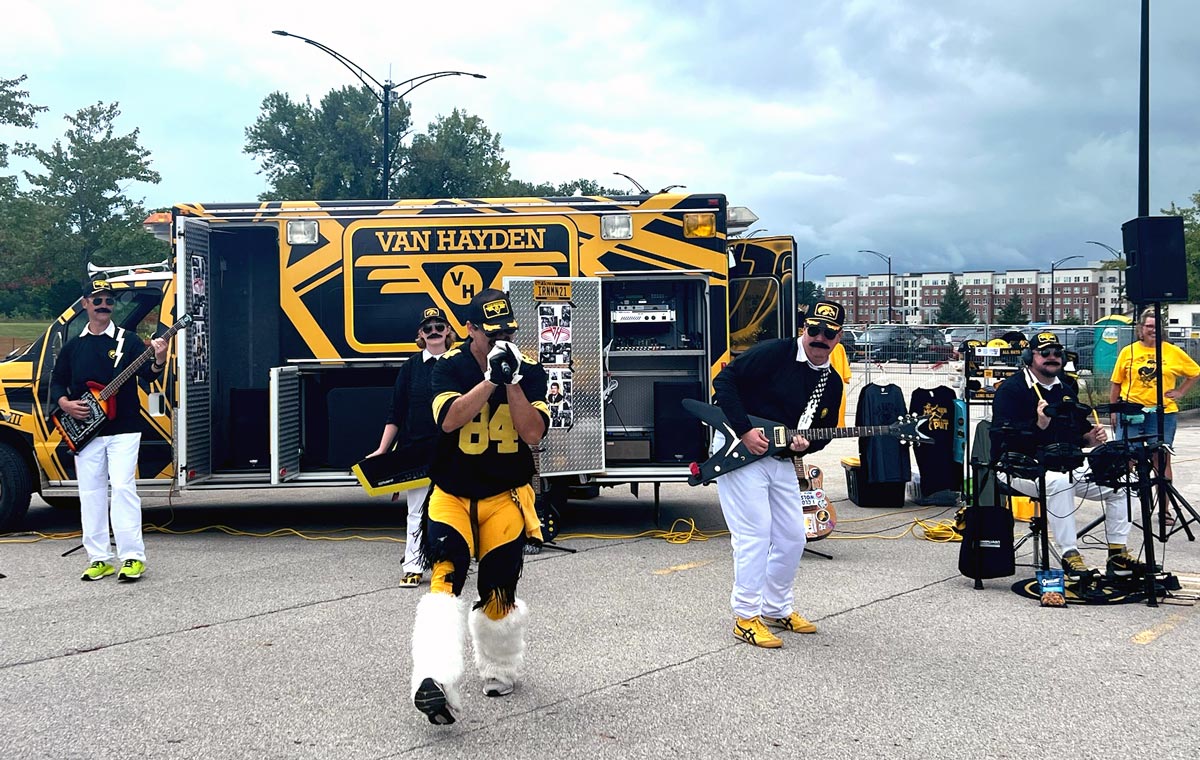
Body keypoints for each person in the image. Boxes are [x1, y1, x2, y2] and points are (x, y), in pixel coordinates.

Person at [409, 289, 549, 725]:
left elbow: (532, 434)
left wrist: (512, 382)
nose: (501, 340)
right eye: (491, 334)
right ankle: (434, 679)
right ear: (470, 330)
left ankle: (499, 666)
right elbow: (449, 419)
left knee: (499, 586)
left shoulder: (531, 371)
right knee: (445, 576)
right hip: (452, 494)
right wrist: (489, 379)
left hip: (503, 496)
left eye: (507, 331)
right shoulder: (448, 366)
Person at [710, 299, 847, 648]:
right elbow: (724, 381)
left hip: (780, 458)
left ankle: (775, 607)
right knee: (754, 534)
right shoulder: (775, 353)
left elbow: (825, 431)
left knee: (792, 536)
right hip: (739, 450)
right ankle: (745, 616)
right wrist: (743, 430)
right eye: (812, 329)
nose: (818, 338)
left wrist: (806, 447)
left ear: (839, 337)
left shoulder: (831, 383)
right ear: (803, 328)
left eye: (827, 333)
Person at [991, 331, 1144, 579]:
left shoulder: (1066, 388)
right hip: (1018, 466)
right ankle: (1070, 554)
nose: (1052, 358)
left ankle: (1117, 554)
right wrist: (1038, 424)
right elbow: (1002, 437)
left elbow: (1077, 432)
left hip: (1064, 462)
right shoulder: (1011, 389)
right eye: (1045, 353)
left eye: (1057, 353)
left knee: (1123, 483)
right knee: (1059, 482)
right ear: (1030, 357)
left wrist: (1090, 438)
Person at [50, 279, 168, 582]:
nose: (104, 306)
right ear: (86, 304)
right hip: (86, 431)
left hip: (124, 427)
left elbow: (148, 375)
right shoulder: (74, 346)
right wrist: (65, 404)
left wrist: (159, 358)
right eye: (98, 300)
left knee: (124, 488)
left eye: (109, 301)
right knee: (90, 493)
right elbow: (58, 382)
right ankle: (99, 557)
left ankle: (131, 557)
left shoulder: (127, 341)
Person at [367, 307, 454, 588]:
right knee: (416, 510)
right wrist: (383, 451)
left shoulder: (458, 364)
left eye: (439, 326)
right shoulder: (410, 368)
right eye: (427, 328)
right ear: (420, 334)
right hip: (415, 450)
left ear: (448, 332)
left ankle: (447, 563)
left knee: (451, 509)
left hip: (452, 450)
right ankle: (413, 564)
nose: (434, 332)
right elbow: (396, 413)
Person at [1109, 307, 1199, 485]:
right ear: (1141, 328)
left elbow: (1195, 372)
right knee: (1127, 458)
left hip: (1162, 413)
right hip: (1131, 412)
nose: (1153, 330)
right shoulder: (1128, 352)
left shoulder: (1172, 351)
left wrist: (1180, 391)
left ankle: (1164, 510)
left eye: (1156, 326)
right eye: (1149, 326)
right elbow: (1116, 383)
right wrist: (1114, 410)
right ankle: (1128, 505)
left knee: (1161, 459)